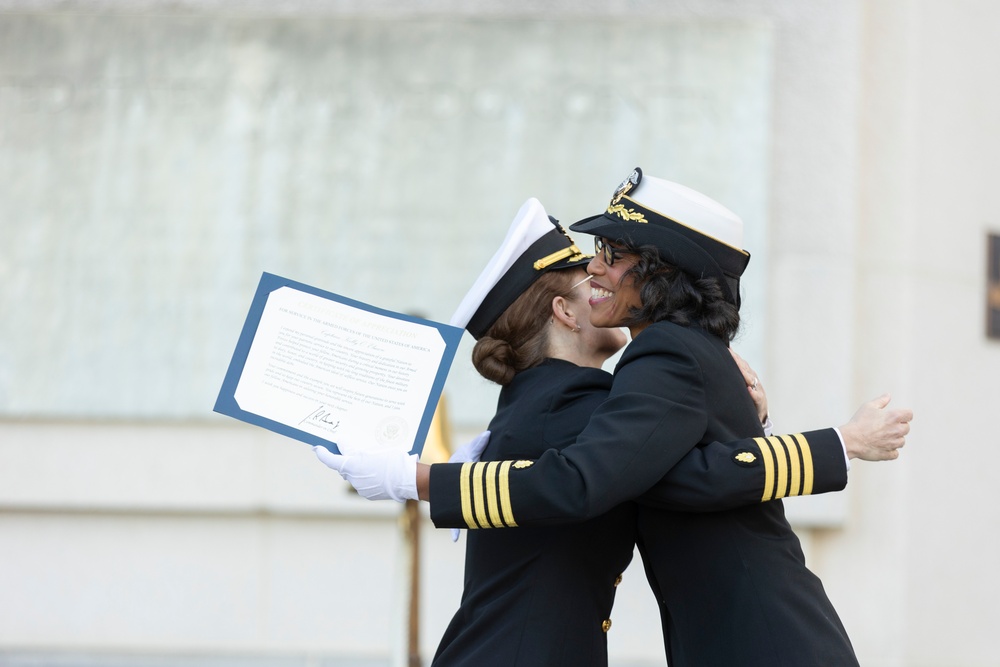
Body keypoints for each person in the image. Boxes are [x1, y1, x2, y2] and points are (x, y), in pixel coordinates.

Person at [316, 183, 912, 666]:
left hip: (759, 640)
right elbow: (653, 472)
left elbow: (603, 478)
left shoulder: (660, 356)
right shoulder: (637, 370)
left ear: (658, 273)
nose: (597, 267)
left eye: (613, 254)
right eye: (593, 259)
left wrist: (420, 478)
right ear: (561, 313)